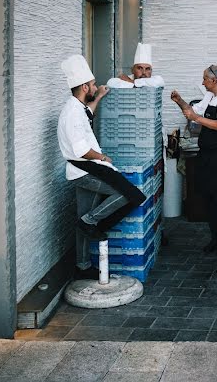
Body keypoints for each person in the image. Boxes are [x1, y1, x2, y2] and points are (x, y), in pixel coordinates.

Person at [57, 55, 146, 279]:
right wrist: (103, 157)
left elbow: (87, 113)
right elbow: (81, 151)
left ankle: (82, 265)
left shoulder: (76, 107)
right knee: (129, 194)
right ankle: (91, 221)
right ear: (84, 86)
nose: (95, 87)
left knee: (82, 218)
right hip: (85, 169)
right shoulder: (72, 114)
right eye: (93, 85)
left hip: (84, 168)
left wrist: (99, 97)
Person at [170, 65, 217, 253]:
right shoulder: (210, 96)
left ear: (215, 81)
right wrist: (179, 101)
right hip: (206, 155)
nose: (202, 82)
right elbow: (192, 113)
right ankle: (216, 239)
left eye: (205, 79)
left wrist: (196, 117)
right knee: (208, 197)